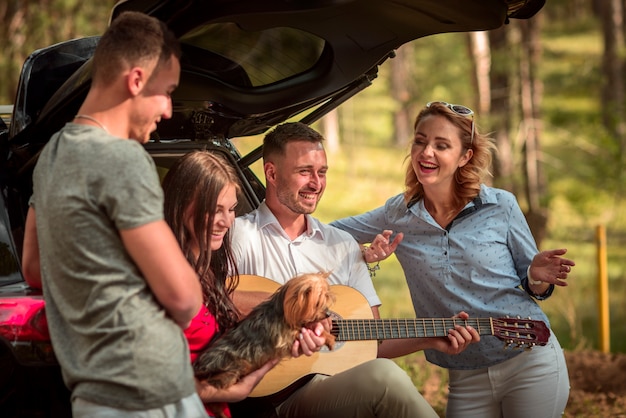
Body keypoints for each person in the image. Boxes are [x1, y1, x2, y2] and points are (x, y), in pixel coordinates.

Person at [330, 101, 576, 418]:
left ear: (464, 157)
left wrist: (536, 276)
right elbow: (328, 235)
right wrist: (363, 256)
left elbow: (534, 288)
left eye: (441, 145)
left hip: (528, 360)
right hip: (464, 375)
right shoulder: (398, 213)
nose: (426, 152)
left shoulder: (501, 206)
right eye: (420, 141)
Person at [21, 12, 206, 417]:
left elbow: (34, 268)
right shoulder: (121, 157)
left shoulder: (51, 156)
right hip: (150, 389)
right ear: (136, 80)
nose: (170, 110)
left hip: (92, 395)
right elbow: (183, 296)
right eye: (167, 91)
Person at [230, 122, 480, 418]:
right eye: (304, 172)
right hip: (271, 393)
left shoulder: (342, 245)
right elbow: (212, 301)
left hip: (334, 387)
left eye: (322, 172)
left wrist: (431, 338)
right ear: (271, 173)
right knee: (384, 378)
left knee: (381, 373)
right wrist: (294, 313)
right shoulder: (238, 234)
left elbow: (371, 342)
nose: (316, 183)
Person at [162, 150, 331, 418]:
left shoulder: (206, 270)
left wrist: (288, 337)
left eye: (230, 210)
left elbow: (237, 332)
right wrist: (231, 392)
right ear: (182, 204)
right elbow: (153, 376)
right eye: (214, 210)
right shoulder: (163, 276)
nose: (226, 221)